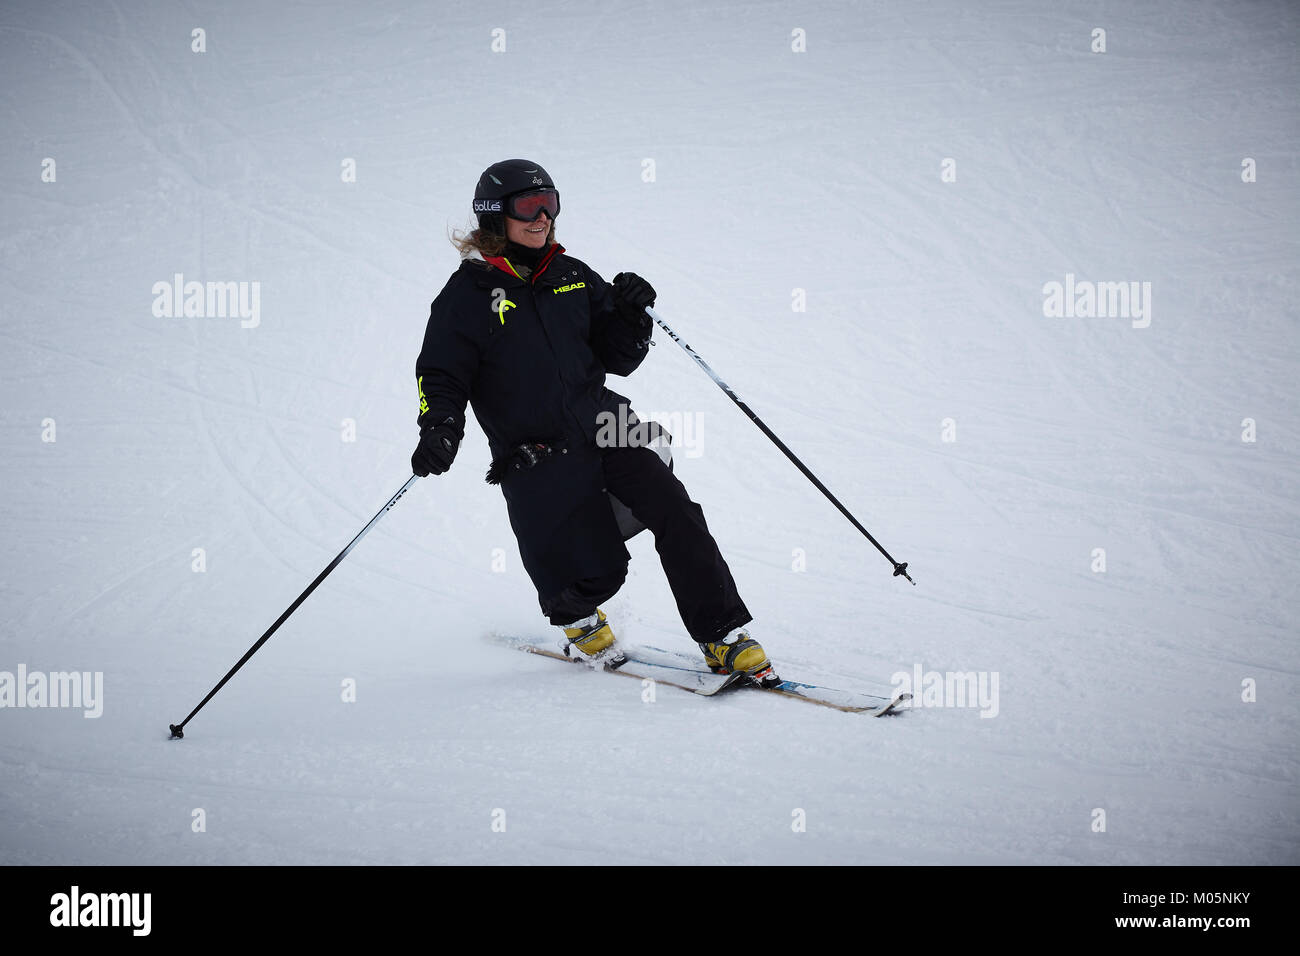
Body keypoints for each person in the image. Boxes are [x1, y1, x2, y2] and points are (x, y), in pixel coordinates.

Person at [412, 159, 776, 685]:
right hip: (536, 451)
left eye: (550, 204)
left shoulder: (570, 275)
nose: (543, 218)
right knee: (600, 571)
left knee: (673, 506)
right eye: (527, 207)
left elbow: (619, 356)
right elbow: (441, 374)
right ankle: (575, 614)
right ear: (494, 216)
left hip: (606, 425)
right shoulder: (467, 297)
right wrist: (439, 427)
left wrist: (631, 316)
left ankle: (721, 635)